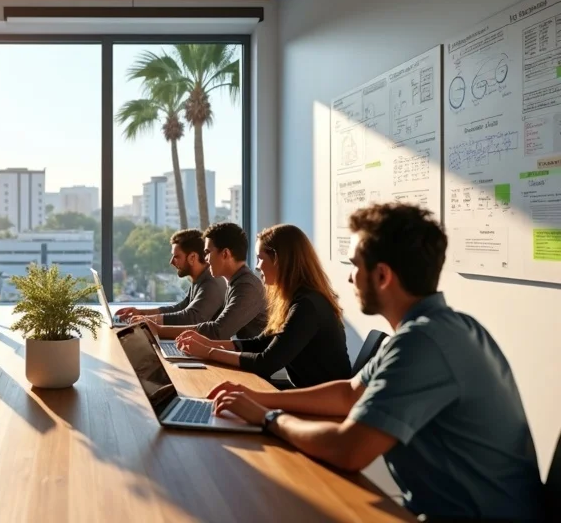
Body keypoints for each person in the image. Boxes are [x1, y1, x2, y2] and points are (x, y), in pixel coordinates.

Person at [208, 203, 544, 521]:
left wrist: (269, 417)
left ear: (382, 276)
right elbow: (349, 394)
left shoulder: (422, 343)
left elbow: (349, 449)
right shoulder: (446, 328)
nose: (351, 278)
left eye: (354, 264)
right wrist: (257, 398)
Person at [176, 224, 350, 388]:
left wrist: (209, 352)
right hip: (309, 393)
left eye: (260, 259)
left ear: (279, 260)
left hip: (323, 405)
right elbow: (261, 343)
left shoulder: (307, 306)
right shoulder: (298, 299)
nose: (258, 267)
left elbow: (265, 363)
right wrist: (211, 345)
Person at [138, 222, 267, 342]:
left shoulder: (246, 287)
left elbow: (217, 331)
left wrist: (158, 329)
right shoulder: (236, 282)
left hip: (258, 365)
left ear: (225, 254)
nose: (205, 259)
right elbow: (185, 308)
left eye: (207, 252)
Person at [116, 228, 227, 326]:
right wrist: (141, 313)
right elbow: (181, 308)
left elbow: (191, 318)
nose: (171, 262)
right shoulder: (201, 279)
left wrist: (146, 320)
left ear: (192, 257)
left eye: (177, 257)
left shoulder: (211, 284)